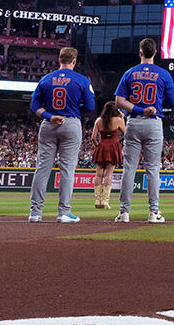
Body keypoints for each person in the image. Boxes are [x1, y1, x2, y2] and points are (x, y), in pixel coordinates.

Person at [112, 37, 174, 223]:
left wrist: (139, 109)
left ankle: (124, 212)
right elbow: (172, 101)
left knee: (129, 169)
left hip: (133, 121)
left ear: (140, 53)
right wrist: (154, 104)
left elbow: (119, 102)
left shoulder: (130, 73)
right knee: (153, 169)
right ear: (155, 53)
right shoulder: (163, 74)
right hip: (154, 122)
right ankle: (153, 212)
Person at [29, 47, 95, 223]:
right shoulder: (81, 79)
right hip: (71, 122)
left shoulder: (46, 79)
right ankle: (64, 212)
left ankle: (35, 213)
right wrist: (73, 109)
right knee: (67, 169)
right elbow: (89, 107)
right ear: (74, 61)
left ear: (59, 60)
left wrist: (50, 116)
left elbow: (34, 106)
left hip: (48, 123)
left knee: (43, 168)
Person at [90, 102, 125, 212]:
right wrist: (122, 118)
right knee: (109, 174)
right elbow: (126, 133)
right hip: (113, 147)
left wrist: (98, 146)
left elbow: (93, 137)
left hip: (102, 146)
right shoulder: (118, 120)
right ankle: (105, 201)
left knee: (99, 174)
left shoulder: (98, 120)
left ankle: (97, 200)